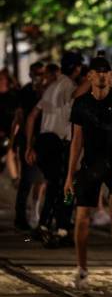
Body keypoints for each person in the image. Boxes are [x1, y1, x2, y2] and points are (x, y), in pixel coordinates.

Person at [63, 57, 112, 288]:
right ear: (90, 76)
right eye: (98, 71)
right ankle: (82, 269)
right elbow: (76, 141)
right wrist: (69, 175)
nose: (103, 75)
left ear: (111, 75)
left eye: (106, 71)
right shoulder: (81, 103)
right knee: (82, 216)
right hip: (91, 164)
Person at [26, 51, 89, 247]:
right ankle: (60, 229)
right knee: (64, 186)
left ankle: (47, 225)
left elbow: (31, 117)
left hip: (45, 141)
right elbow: (74, 94)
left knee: (54, 186)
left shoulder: (51, 86)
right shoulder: (67, 85)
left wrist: (30, 145)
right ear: (77, 68)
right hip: (59, 143)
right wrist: (91, 79)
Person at [10, 62, 46, 231]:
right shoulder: (25, 92)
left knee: (42, 179)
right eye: (36, 73)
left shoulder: (47, 90)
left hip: (43, 139)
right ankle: (21, 216)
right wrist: (19, 141)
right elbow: (20, 117)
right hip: (28, 140)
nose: (38, 77)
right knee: (27, 179)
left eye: (41, 73)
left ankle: (36, 212)